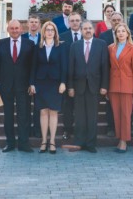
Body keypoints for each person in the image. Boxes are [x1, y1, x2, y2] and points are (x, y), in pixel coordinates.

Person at [67, 21, 109, 153]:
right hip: (78, 86)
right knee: (79, 116)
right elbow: (71, 67)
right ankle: (79, 142)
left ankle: (91, 144)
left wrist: (104, 85)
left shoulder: (101, 44)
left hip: (94, 86)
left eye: (90, 28)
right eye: (85, 28)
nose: (88, 30)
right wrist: (70, 87)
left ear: (94, 30)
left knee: (92, 116)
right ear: (81, 31)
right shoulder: (75, 45)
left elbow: (105, 66)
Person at [0, 20, 35, 153]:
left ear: (21, 29)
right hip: (6, 86)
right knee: (8, 116)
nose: (14, 30)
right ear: (8, 29)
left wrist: (31, 83)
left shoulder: (29, 44)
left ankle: (24, 143)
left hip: (24, 86)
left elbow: (32, 66)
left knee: (23, 115)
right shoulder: (1, 43)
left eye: (17, 28)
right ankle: (10, 143)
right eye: (12, 28)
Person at [29, 21, 67, 154]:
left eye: (52, 30)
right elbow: (33, 67)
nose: (50, 32)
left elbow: (64, 66)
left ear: (55, 33)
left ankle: (52, 141)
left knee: (53, 112)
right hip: (41, 83)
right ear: (43, 32)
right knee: (43, 112)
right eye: (47, 30)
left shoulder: (61, 47)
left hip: (55, 84)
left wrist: (63, 82)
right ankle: (44, 141)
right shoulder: (37, 47)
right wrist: (32, 83)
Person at [107, 23, 133, 153]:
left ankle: (124, 141)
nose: (120, 33)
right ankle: (119, 138)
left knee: (126, 114)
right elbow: (108, 68)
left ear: (127, 34)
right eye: (118, 31)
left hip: (127, 85)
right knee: (116, 114)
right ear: (115, 34)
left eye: (123, 31)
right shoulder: (110, 48)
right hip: (113, 85)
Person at [58, 12, 82, 140]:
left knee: (81, 106)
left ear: (80, 21)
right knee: (67, 106)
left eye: (77, 20)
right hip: (67, 77)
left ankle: (79, 130)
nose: (75, 22)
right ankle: (67, 130)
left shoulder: (87, 34)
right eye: (72, 20)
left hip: (83, 78)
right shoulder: (62, 37)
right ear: (68, 22)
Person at [22, 14, 42, 138]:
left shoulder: (43, 37)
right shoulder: (22, 37)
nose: (33, 24)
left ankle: (37, 130)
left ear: (39, 24)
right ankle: (27, 129)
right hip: (24, 75)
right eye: (31, 22)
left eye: (36, 22)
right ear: (27, 24)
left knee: (38, 105)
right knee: (25, 105)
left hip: (40, 75)